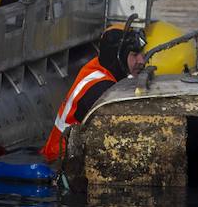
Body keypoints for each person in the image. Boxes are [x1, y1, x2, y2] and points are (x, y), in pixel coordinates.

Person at [41, 23, 148, 161]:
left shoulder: (99, 65)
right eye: (134, 55)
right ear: (117, 57)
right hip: (61, 160)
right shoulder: (101, 89)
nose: (142, 61)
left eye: (142, 54)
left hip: (60, 151)